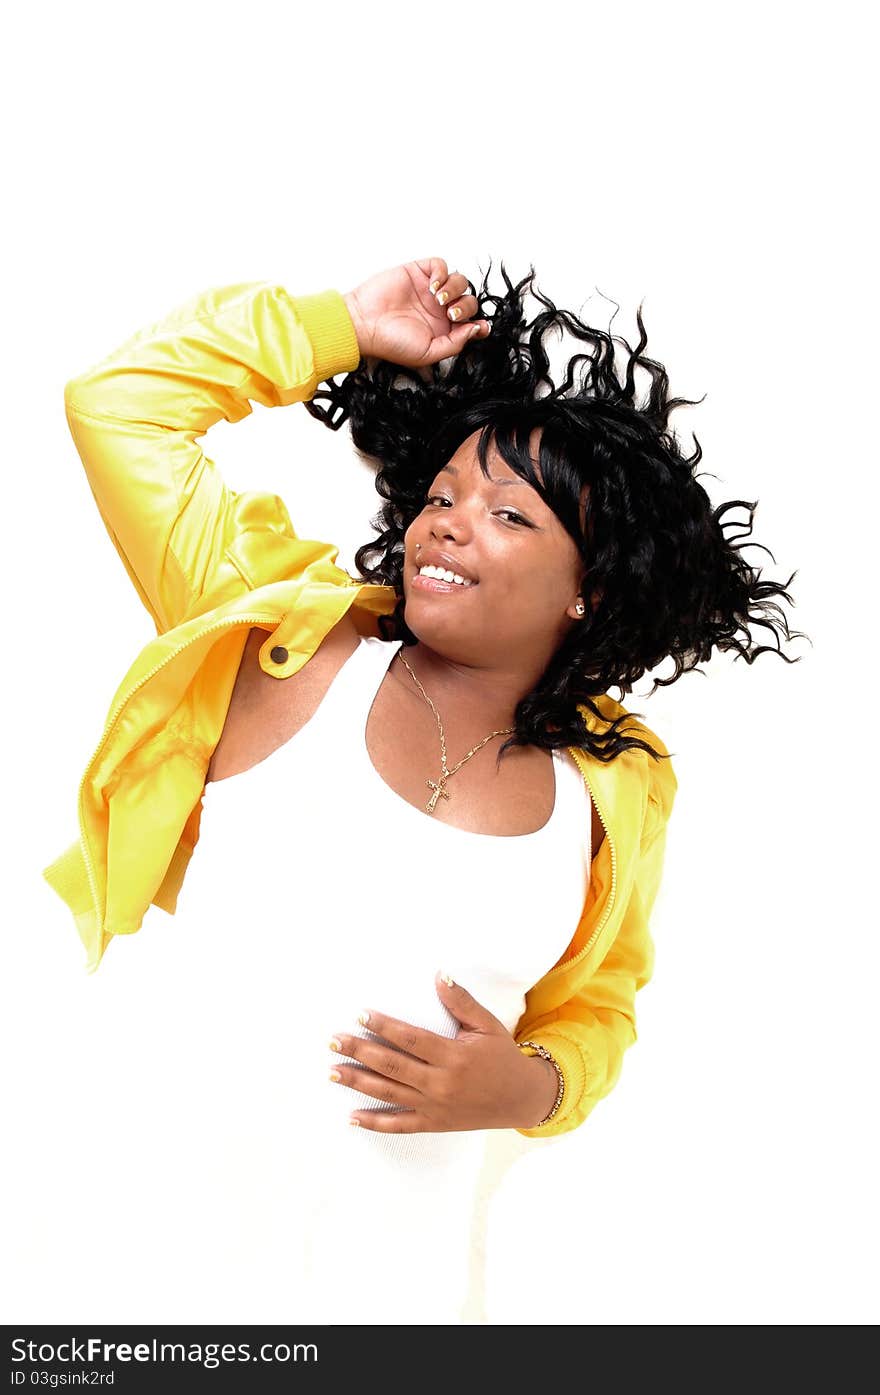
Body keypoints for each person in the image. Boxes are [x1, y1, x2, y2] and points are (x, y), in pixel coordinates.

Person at [41, 255, 802, 1324]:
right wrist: (338, 325)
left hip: (405, 1295)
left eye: (510, 514)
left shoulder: (613, 788)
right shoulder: (284, 639)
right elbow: (117, 407)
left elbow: (597, 1009)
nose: (448, 520)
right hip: (149, 1271)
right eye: (441, 494)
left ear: (591, 589)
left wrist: (530, 1087)